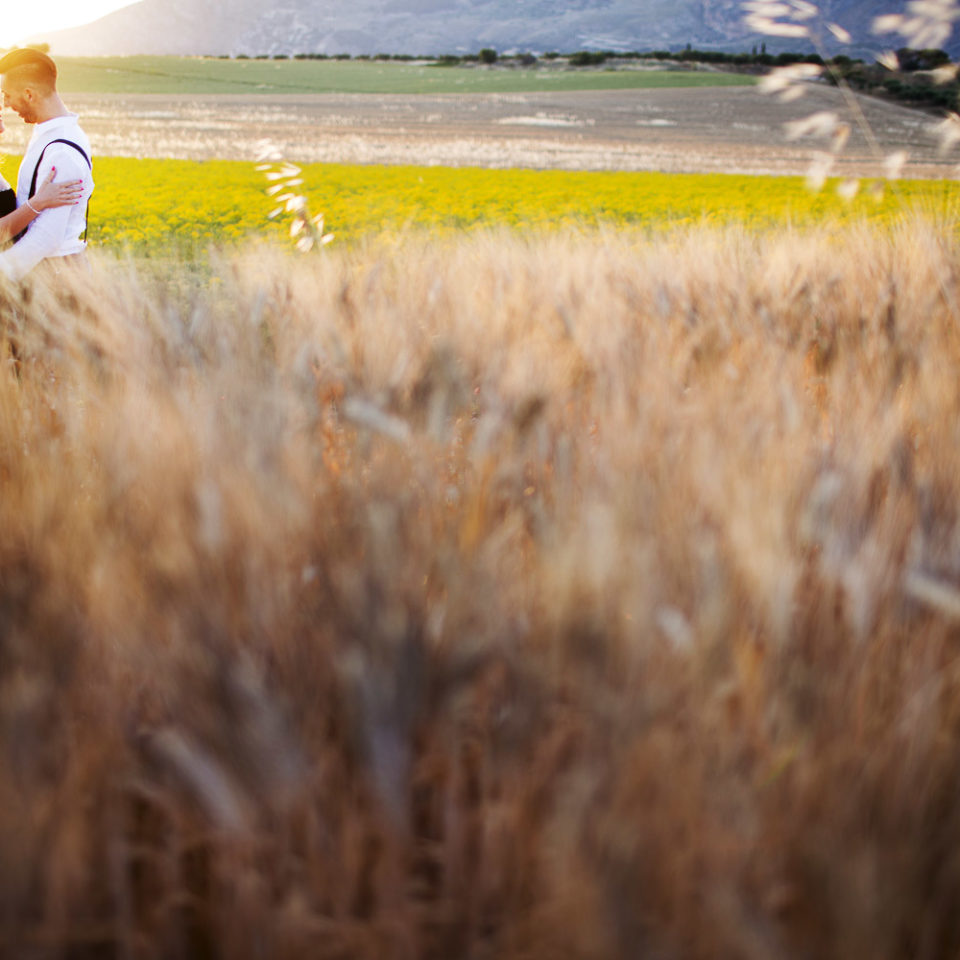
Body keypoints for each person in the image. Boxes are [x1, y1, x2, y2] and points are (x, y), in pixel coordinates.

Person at [0, 47, 94, 281]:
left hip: (58, 278)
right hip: (43, 274)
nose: (6, 104)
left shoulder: (62, 151)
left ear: (29, 94)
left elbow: (47, 236)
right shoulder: (48, 135)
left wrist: (3, 272)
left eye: (7, 94)